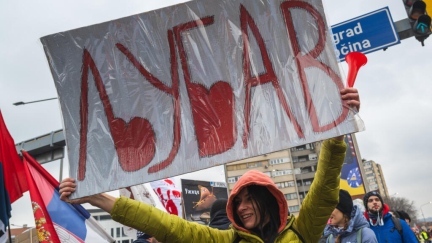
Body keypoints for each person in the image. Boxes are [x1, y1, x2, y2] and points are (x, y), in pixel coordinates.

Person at [59, 89, 360, 243]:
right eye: (236, 201)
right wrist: (96, 197)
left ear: (267, 198)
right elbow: (166, 225)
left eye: (248, 199)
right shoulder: (226, 239)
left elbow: (323, 188)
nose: (241, 207)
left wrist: (337, 128)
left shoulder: (303, 230)